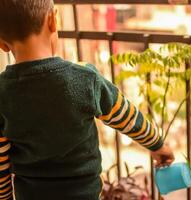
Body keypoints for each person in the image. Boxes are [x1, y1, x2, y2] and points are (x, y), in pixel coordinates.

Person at [0, 0, 174, 199]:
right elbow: (127, 116)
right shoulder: (85, 78)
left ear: (2, 44)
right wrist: (157, 144)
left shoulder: (3, 93)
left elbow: (1, 163)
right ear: (53, 20)